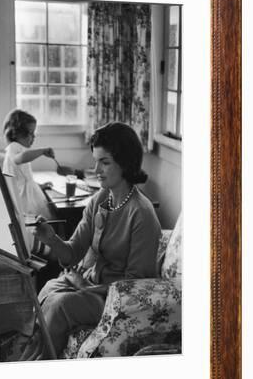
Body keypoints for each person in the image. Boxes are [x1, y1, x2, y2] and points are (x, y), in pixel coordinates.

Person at [23, 122, 162, 359]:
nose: (96, 169)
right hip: (92, 285)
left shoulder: (142, 213)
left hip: (115, 300)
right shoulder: (100, 199)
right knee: (47, 289)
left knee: (60, 306)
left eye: (105, 162)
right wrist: (51, 238)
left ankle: (40, 372)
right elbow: (72, 253)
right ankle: (30, 356)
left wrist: (84, 286)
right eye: (95, 160)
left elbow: (135, 285)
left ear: (125, 163)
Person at [2, 109, 55, 219]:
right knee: (32, 222)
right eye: (30, 133)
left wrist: (39, 186)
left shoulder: (20, 149)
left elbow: (24, 177)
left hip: (30, 193)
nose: (34, 137)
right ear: (17, 134)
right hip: (23, 198)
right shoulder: (13, 147)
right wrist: (42, 151)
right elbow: (20, 158)